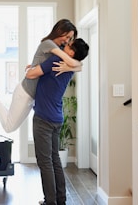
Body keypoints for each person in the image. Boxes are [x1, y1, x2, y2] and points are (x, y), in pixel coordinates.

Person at [0, 19, 82, 133]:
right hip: (26, 92)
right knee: (8, 127)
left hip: (30, 95)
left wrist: (69, 67)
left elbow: (79, 66)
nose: (67, 41)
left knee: (10, 123)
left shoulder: (58, 48)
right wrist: (70, 66)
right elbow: (71, 61)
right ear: (60, 30)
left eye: (70, 39)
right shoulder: (49, 44)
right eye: (67, 37)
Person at [26, 38, 89, 205]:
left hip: (43, 118)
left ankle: (50, 201)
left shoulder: (57, 60)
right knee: (54, 160)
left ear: (71, 52)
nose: (64, 45)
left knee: (45, 162)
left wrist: (30, 70)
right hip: (56, 117)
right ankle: (60, 199)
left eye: (68, 45)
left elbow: (31, 74)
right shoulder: (72, 67)